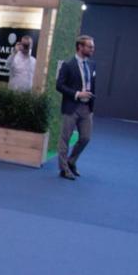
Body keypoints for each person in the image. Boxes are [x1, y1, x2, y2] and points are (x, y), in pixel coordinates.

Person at [56, 35, 96, 180]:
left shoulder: (92, 65)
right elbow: (59, 86)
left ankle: (71, 161)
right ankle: (63, 169)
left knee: (86, 138)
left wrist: (90, 104)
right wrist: (78, 94)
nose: (92, 49)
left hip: (86, 108)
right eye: (89, 46)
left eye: (92, 46)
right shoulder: (68, 65)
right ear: (80, 47)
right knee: (65, 139)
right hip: (71, 106)